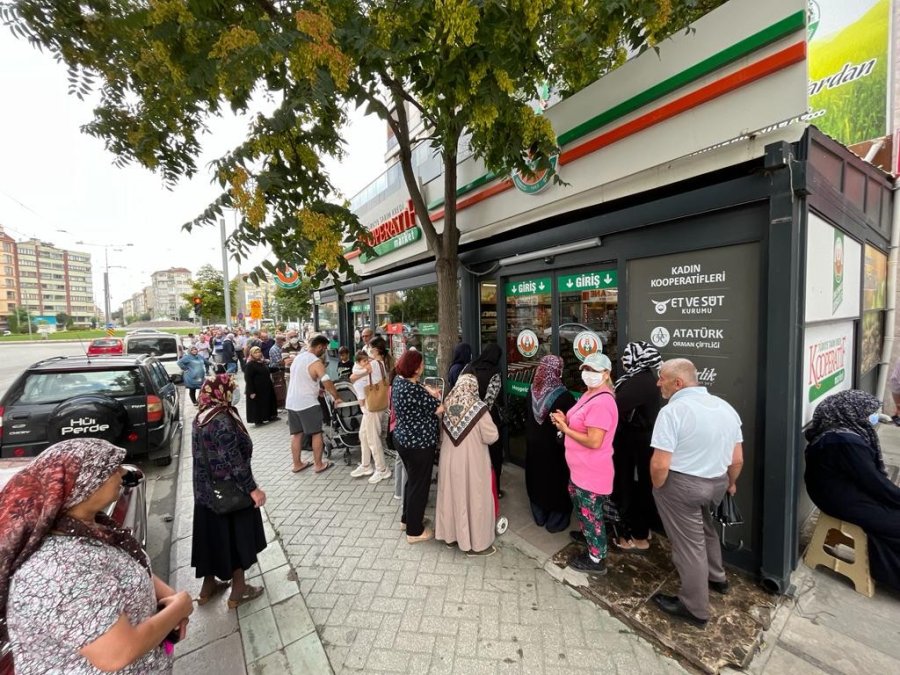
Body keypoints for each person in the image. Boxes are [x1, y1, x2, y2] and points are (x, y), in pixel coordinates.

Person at [1, 439, 193, 673]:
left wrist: (167, 595)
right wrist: (181, 606)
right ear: (85, 484)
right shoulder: (57, 568)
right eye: (112, 468)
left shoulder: (85, 528)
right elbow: (117, 653)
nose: (122, 472)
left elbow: (124, 566)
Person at [649, 358, 743, 628]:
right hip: (716, 482)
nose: (658, 383)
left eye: (662, 378)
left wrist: (659, 486)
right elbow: (737, 459)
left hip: (681, 486)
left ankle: (694, 607)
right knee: (706, 529)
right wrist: (730, 483)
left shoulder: (672, 412)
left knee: (688, 546)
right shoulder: (725, 408)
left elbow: (660, 462)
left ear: (678, 383)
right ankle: (717, 577)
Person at [804, 389, 900, 591]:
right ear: (850, 412)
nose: (870, 418)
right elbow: (874, 482)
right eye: (867, 413)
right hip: (841, 500)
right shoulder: (844, 441)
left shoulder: (841, 433)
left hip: (840, 494)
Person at [191, 374, 269, 609]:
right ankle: (238, 590)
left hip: (206, 494)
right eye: (230, 389)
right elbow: (234, 461)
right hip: (229, 493)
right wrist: (253, 489)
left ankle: (208, 587)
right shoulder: (221, 419)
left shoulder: (201, 417)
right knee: (235, 540)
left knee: (210, 540)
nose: (233, 393)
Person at [550, 352, 618, 575]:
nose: (588, 375)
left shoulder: (602, 402)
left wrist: (565, 429)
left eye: (594, 371)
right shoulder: (590, 394)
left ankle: (596, 559)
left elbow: (594, 440)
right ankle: (590, 536)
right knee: (586, 512)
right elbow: (583, 424)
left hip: (592, 472)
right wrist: (566, 419)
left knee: (592, 514)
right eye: (585, 370)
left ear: (606, 374)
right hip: (580, 470)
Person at [435, 374, 501, 556]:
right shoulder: (479, 408)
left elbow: (441, 432)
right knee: (474, 498)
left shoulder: (446, 403)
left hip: (449, 458)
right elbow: (491, 436)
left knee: (451, 496)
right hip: (472, 462)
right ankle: (475, 544)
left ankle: (451, 537)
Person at [611, 341, 663, 551]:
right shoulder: (640, 378)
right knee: (641, 486)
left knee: (632, 486)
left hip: (635, 443)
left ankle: (636, 533)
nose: (623, 360)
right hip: (639, 442)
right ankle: (642, 529)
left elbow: (615, 405)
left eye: (626, 356)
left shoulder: (640, 381)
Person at [391, 350, 443, 543]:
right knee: (419, 486)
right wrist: (436, 397)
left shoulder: (399, 381)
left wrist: (427, 392)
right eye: (420, 364)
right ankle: (414, 531)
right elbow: (439, 409)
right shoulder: (413, 389)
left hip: (403, 439)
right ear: (415, 368)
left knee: (412, 482)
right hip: (419, 444)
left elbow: (420, 397)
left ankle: (408, 519)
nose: (422, 366)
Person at [525, 355, 576, 533]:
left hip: (534, 445)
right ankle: (556, 521)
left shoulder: (531, 390)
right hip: (555, 450)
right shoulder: (564, 396)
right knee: (556, 481)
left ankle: (540, 515)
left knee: (537, 478)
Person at [285, 334, 342, 474]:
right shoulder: (315, 362)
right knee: (316, 433)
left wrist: (318, 389)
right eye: (324, 348)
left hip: (292, 402)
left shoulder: (298, 358)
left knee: (297, 434)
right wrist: (337, 397)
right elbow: (327, 380)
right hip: (307, 404)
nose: (324, 351)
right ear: (319, 347)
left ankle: (297, 464)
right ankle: (318, 464)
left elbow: (303, 379)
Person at [463, 343, 505, 496]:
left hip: (468, 419)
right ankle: (495, 490)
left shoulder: (468, 368)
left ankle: (476, 488)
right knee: (494, 456)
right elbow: (490, 401)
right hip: (489, 419)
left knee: (475, 455)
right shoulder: (495, 372)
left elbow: (460, 391)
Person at [349, 337, 393, 484]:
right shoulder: (382, 362)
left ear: (375, 349)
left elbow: (352, 377)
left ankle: (382, 469)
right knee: (363, 434)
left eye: (370, 347)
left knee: (373, 438)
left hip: (372, 406)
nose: (368, 350)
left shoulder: (373, 364)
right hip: (374, 404)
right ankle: (366, 464)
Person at [244, 346, 279, 426]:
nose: (258, 354)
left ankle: (270, 416)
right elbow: (248, 378)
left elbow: (267, 369)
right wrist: (251, 391)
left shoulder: (261, 362)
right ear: (252, 354)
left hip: (266, 387)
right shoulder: (250, 365)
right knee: (258, 404)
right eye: (255, 353)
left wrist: (279, 368)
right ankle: (258, 420)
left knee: (268, 401)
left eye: (259, 352)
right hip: (257, 389)